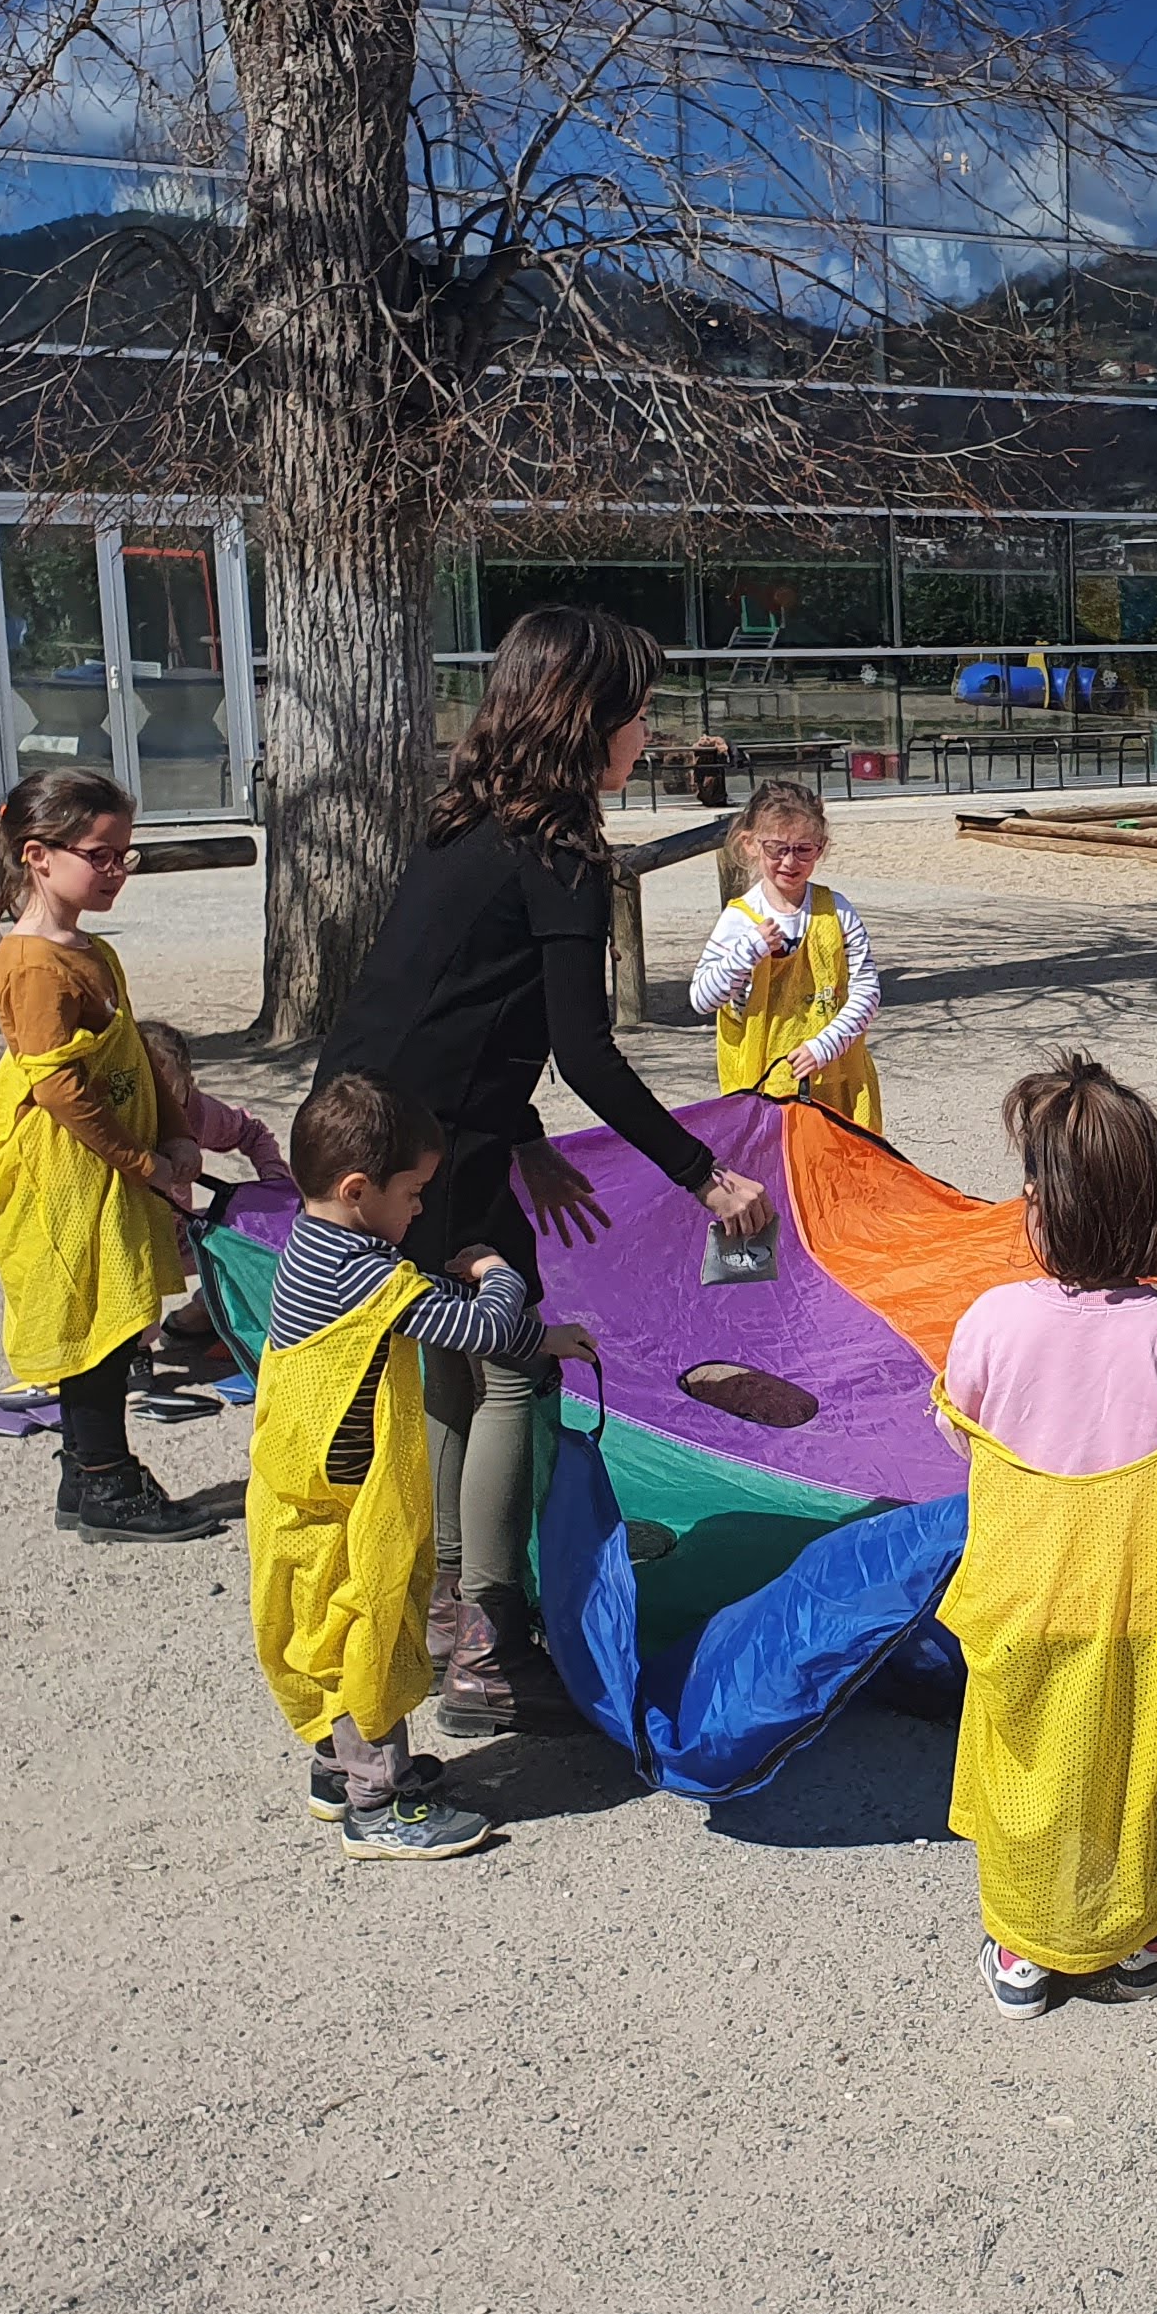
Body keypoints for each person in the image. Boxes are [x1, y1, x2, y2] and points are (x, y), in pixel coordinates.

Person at [323, 605, 774, 1734]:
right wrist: (706, 1178)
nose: (648, 732)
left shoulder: (468, 825)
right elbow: (585, 1048)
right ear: (587, 722)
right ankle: (489, 1641)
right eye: (638, 712)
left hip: (372, 1129)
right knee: (513, 1366)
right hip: (426, 1150)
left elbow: (461, 1006)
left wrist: (522, 1136)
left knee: (452, 1362)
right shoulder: (562, 854)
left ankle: (449, 1607)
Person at [937, 1054, 1157, 2024]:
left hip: (1023, 1595)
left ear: (1042, 1206)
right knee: (1127, 1767)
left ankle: (1023, 1949)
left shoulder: (992, 1321)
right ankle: (1141, 1939)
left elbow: (959, 1428)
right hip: (1138, 1603)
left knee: (1027, 1766)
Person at [251, 1071, 595, 1862]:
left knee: (334, 1631)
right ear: (357, 1190)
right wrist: (499, 1273)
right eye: (411, 1193)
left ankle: (339, 1768)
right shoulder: (366, 1273)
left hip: (299, 1492)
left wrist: (542, 1338)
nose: (418, 1209)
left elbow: (427, 1306)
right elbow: (476, 1325)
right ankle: (379, 1805)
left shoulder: (320, 1246)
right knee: (367, 1635)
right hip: (342, 1508)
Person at [0, 766, 217, 1545]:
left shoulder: (91, 948)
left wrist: (177, 1131)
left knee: (117, 1317)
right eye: (99, 855)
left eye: (123, 855)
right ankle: (105, 1479)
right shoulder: (32, 963)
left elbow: (130, 1047)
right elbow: (60, 1089)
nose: (115, 871)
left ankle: (86, 1469)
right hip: (71, 1174)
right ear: (37, 855)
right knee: (99, 1323)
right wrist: (144, 1163)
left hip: (114, 1165)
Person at [687, 776, 882, 1128]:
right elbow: (702, 999)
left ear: (820, 848)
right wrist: (745, 953)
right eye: (777, 849)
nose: (790, 862)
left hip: (836, 1079)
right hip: (762, 1084)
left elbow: (866, 991)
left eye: (803, 849)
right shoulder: (739, 920)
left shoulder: (837, 910)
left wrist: (825, 1045)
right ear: (750, 844)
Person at [140, 1020, 292, 1190]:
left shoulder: (198, 1112)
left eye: (160, 1064)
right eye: (143, 1067)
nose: (152, 1075)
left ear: (185, 1073)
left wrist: (275, 1177)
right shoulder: (129, 1109)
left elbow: (251, 1131)